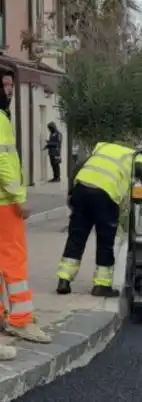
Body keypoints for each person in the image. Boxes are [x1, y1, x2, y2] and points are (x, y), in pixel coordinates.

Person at [56, 141, 142, 297]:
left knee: (76, 236)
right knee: (105, 241)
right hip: (105, 196)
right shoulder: (137, 158)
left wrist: (71, 193)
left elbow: (78, 167)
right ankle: (101, 285)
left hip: (82, 189)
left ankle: (64, 280)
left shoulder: (103, 148)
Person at [0, 71, 52, 346]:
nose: (9, 90)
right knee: (14, 261)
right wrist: (19, 196)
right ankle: (21, 321)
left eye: (10, 85)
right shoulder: (0, 119)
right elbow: (4, 163)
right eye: (5, 85)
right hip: (5, 205)